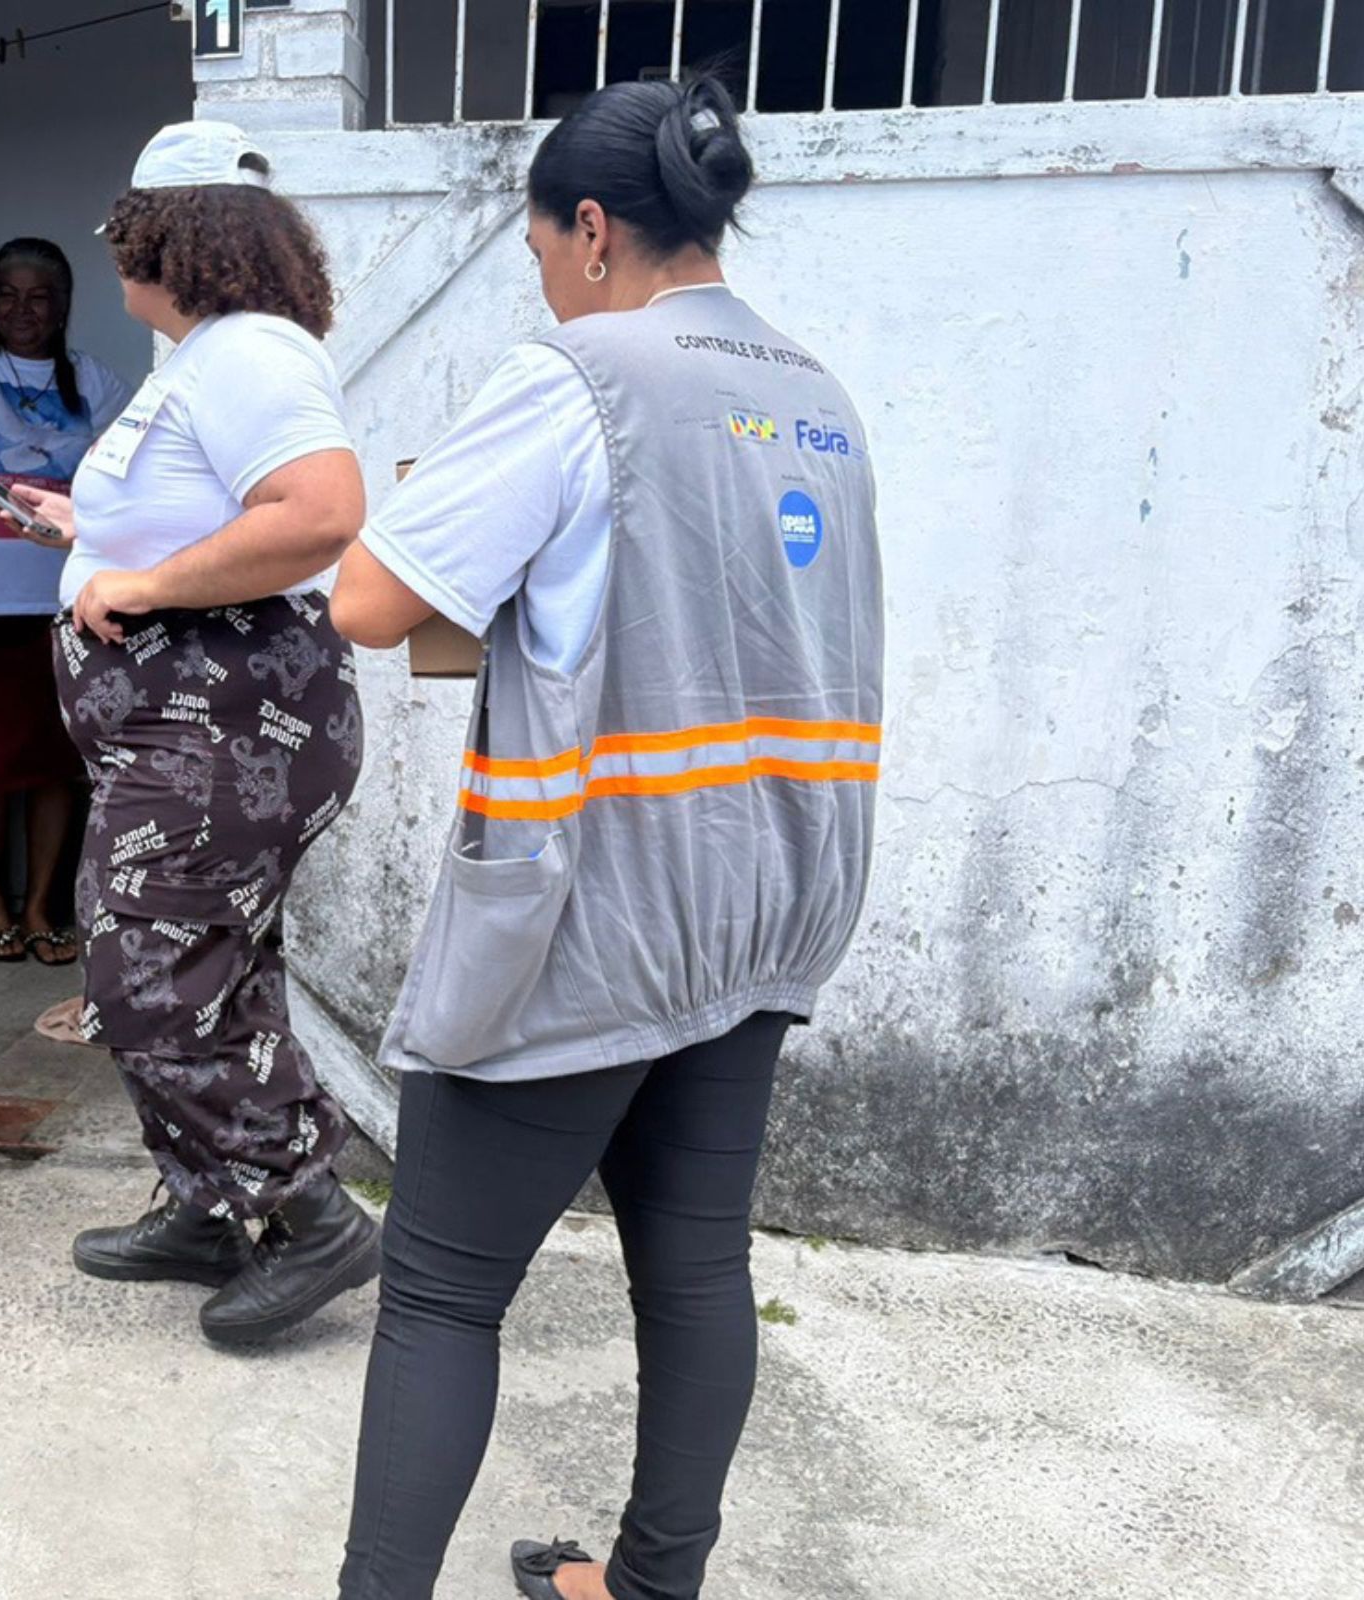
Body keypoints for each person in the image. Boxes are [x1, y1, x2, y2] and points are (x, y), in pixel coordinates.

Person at [326, 77, 883, 1600]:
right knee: (696, 1265)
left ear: (589, 229)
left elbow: (371, 599)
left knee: (442, 1293)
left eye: (537, 251)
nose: (543, 282)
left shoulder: (583, 375)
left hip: (593, 909)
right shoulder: (818, 394)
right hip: (770, 898)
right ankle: (650, 1586)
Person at [10, 121, 378, 1347]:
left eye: (122, 228)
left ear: (166, 234)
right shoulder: (204, 359)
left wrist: (148, 584)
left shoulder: (250, 353)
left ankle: (310, 1213)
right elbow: (199, 514)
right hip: (188, 736)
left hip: (225, 735)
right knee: (206, 967)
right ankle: (211, 1204)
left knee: (149, 979)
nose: (111, 250)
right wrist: (88, 533)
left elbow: (319, 512)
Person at [0, 238, 131, 966]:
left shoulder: (98, 384)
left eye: (39, 297)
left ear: (63, 305)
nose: (22, 310)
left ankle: (41, 905)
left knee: (58, 763)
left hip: (63, 599)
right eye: (7, 295)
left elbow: (128, 481)